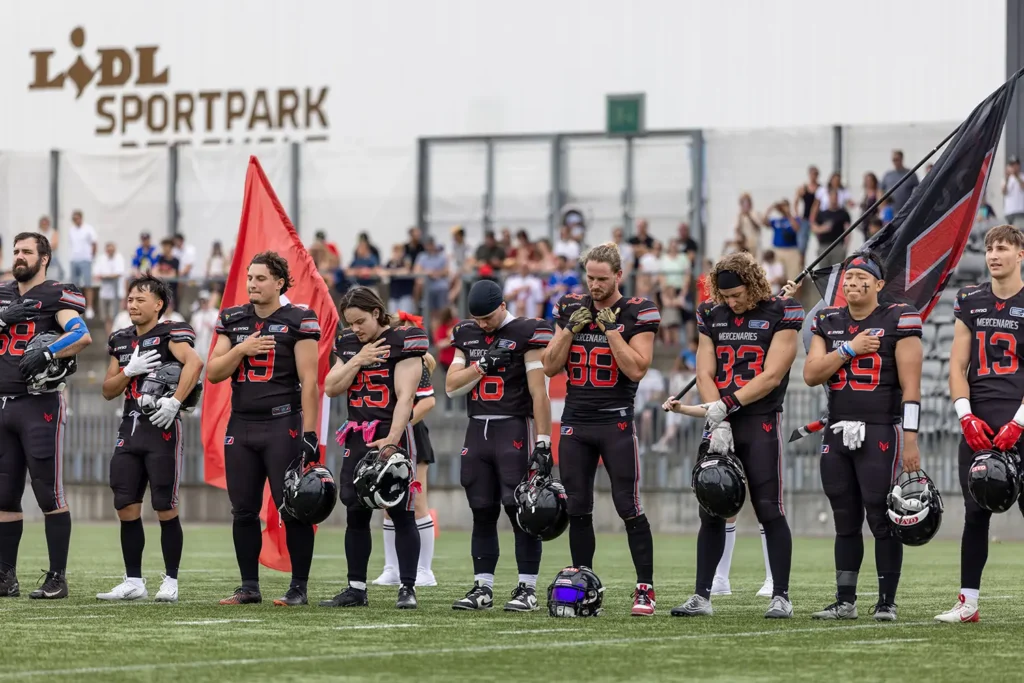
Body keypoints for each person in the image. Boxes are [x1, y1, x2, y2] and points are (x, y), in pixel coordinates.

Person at [665, 251, 802, 619]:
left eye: (738, 294)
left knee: (768, 508)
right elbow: (705, 371)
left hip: (759, 419)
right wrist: (718, 416)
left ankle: (781, 595)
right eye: (726, 296)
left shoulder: (783, 312)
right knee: (711, 508)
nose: (732, 302)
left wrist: (726, 406)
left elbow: (772, 375)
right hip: (721, 421)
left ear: (754, 284)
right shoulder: (712, 313)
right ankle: (702, 596)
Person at [803, 251, 922, 621]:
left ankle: (886, 601)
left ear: (879, 284)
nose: (853, 284)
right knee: (844, 518)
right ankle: (845, 600)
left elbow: (912, 387)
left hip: (880, 429)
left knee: (881, 515)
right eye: (849, 279)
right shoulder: (827, 319)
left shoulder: (899, 317)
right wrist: (849, 349)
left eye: (862, 278)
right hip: (838, 429)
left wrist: (912, 438)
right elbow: (811, 374)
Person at [542, 243, 660, 616]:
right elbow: (549, 366)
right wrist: (567, 332)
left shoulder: (638, 311)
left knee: (628, 505)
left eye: (602, 279)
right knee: (578, 508)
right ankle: (583, 583)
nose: (594, 285)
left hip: (616, 419)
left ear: (618, 277)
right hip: (577, 420)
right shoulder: (570, 305)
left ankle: (645, 589)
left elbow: (637, 369)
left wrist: (611, 332)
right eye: (590, 277)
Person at [205, 251, 323, 607]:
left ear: (279, 283)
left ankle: (298, 587)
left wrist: (310, 433)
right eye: (250, 278)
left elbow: (310, 380)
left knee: (293, 507)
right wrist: (242, 348)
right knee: (242, 509)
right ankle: (249, 586)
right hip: (241, 424)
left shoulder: (298, 318)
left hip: (281, 422)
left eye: (260, 278)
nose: (253, 284)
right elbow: (213, 372)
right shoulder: (234, 319)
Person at [446, 280, 553, 612]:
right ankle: (483, 587)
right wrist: (482, 365)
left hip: (512, 428)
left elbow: (539, 392)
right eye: (477, 319)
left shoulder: (527, 332)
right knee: (481, 510)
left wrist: (544, 441)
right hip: (477, 429)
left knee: (520, 512)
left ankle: (527, 588)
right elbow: (451, 387)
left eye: (488, 318)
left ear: (503, 306)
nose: (482, 325)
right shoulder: (466, 334)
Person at [97, 275, 203, 603]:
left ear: (158, 304)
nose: (132, 304)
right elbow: (107, 390)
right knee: (125, 506)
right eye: (130, 299)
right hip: (129, 430)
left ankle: (170, 580)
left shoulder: (170, 333)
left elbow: (195, 363)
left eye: (140, 299)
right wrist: (129, 370)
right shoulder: (121, 340)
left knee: (164, 507)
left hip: (162, 428)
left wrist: (174, 402)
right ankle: (134, 580)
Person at [937, 224, 1024, 623]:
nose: (993, 254)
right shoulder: (970, 300)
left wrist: (1019, 423)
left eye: (1003, 248)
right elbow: (957, 364)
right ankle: (967, 601)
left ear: (1019, 254)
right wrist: (964, 414)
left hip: (1019, 420)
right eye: (989, 248)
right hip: (979, 421)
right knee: (975, 514)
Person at [0, 232, 91, 600]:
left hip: (39, 404)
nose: (19, 257)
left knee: (46, 491)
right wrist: (4, 318)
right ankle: (6, 576)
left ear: (44, 258)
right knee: (4, 495)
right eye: (16, 251)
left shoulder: (57, 293)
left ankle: (57, 577)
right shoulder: (3, 294)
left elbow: (80, 335)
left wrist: (51, 353)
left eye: (27, 252)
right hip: (3, 403)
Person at [323, 287, 427, 610]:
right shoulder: (350, 344)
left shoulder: (403, 341)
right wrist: (358, 359)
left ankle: (407, 587)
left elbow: (406, 397)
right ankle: (356, 588)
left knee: (400, 512)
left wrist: (392, 440)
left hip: (389, 433)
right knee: (355, 512)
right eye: (350, 323)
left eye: (360, 322)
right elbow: (330, 386)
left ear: (377, 313)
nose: (355, 329)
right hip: (356, 435)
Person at [373, 315, 439, 588]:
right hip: (389, 436)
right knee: (388, 506)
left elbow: (428, 402)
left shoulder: (416, 361)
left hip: (411, 436)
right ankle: (391, 568)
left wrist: (399, 428)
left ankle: (425, 570)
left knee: (417, 504)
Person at [67, 210, 98, 319]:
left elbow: (94, 244)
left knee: (88, 285)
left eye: (77, 218)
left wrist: (92, 257)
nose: (76, 221)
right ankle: (77, 306)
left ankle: (89, 307)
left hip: (86, 259)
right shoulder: (71, 230)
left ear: (81, 218)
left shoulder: (88, 229)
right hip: (74, 259)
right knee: (75, 286)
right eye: (74, 219)